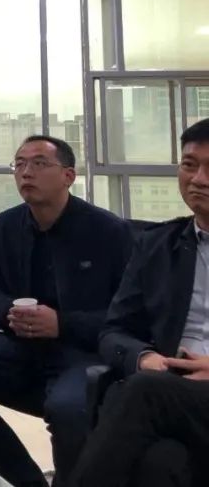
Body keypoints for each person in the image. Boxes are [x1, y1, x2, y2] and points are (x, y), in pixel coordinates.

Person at [0, 135, 134, 487]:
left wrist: (61, 324)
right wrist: (9, 312)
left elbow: (128, 312)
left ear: (68, 176)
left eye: (39, 163)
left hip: (82, 349)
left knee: (68, 409)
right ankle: (27, 481)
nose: (26, 172)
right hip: (20, 342)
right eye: (20, 163)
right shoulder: (4, 226)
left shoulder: (108, 231)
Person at [71, 118, 209, 487]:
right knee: (159, 463)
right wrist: (145, 358)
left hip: (159, 395)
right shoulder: (157, 245)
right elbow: (115, 330)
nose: (198, 179)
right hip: (172, 387)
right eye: (190, 164)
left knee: (141, 393)